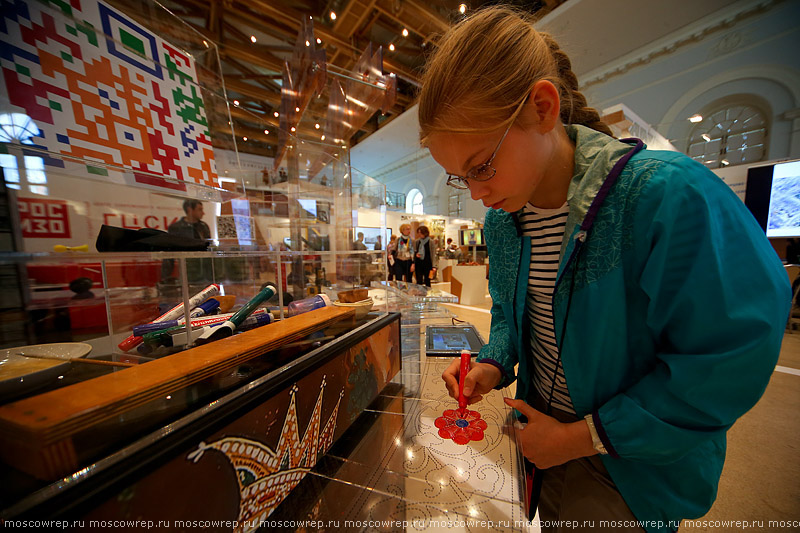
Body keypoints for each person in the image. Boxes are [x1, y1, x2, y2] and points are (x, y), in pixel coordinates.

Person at [419, 6, 790, 533]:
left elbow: (730, 353)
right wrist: (491, 366)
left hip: (631, 467)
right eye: (461, 178)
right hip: (540, 446)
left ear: (543, 108)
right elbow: (509, 317)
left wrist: (583, 437)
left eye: (482, 165)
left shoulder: (660, 195)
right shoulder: (505, 224)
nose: (477, 192)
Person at [161, 199, 211, 282]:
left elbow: (208, 248)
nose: (203, 213)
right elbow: (169, 252)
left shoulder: (203, 226)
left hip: (204, 271)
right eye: (199, 209)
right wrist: (165, 277)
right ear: (189, 210)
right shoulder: (176, 228)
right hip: (186, 270)